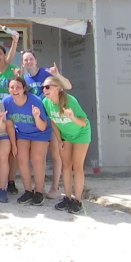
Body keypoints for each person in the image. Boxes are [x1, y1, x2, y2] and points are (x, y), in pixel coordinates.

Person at [20, 51, 73, 199]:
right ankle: (40, 187)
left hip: (53, 119)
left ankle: (55, 187)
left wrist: (57, 75)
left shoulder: (47, 73)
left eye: (31, 58)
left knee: (56, 154)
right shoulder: (25, 79)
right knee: (40, 156)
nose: (28, 62)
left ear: (36, 60)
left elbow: (67, 86)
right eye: (26, 60)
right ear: (23, 63)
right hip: (37, 121)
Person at [42, 76, 91, 214]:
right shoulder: (46, 102)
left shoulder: (70, 100)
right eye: (43, 87)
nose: (44, 89)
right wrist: (59, 140)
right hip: (66, 136)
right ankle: (68, 198)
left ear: (57, 88)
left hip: (81, 133)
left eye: (47, 87)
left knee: (78, 166)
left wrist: (72, 117)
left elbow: (84, 122)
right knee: (66, 166)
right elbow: (53, 122)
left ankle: (78, 200)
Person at [3, 77, 51, 206]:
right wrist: (13, 145)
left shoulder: (35, 101)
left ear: (24, 89)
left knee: (36, 159)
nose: (15, 90)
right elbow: (9, 125)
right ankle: (28, 190)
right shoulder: (6, 102)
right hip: (23, 133)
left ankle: (39, 192)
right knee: (21, 158)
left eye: (18, 87)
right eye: (12, 87)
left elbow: (42, 126)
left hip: (40, 133)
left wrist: (36, 117)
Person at [0, 36, 20, 194]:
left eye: (0, 54)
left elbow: (18, 88)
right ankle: (0, 179)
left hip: (10, 113)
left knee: (11, 150)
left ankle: (11, 180)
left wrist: (15, 40)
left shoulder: (12, 69)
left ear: (4, 54)